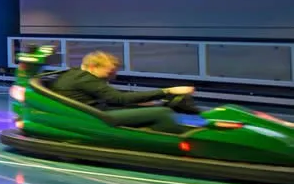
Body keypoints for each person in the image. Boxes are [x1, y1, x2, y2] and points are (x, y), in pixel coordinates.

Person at [49, 52, 199, 134]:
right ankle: (174, 143)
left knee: (152, 108)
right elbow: (119, 98)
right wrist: (167, 91)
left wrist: (143, 102)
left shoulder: (76, 74)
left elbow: (110, 97)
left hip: (96, 111)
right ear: (93, 67)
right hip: (96, 116)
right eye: (110, 72)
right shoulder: (85, 79)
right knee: (163, 112)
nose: (113, 76)